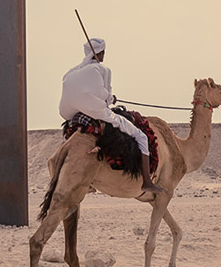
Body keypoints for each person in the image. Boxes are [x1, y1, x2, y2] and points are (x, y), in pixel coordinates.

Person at [59, 38, 160, 194]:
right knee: (142, 137)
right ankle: (147, 182)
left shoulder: (70, 73)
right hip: (98, 112)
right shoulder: (101, 70)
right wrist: (112, 98)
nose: (104, 55)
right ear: (99, 53)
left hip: (74, 115)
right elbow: (103, 95)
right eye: (103, 52)